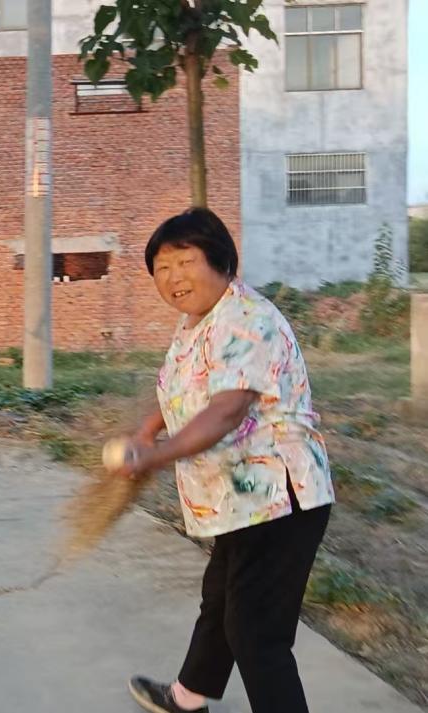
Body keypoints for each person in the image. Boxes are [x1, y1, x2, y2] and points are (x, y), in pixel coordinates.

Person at [117, 209, 334, 713]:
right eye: (161, 267)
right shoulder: (197, 321)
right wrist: (152, 426)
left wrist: (156, 455)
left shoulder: (247, 320)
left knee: (256, 631)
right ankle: (188, 698)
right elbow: (191, 392)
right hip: (238, 500)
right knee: (220, 601)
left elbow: (226, 410)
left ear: (221, 261)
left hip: (281, 497)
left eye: (185, 261)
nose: (173, 278)